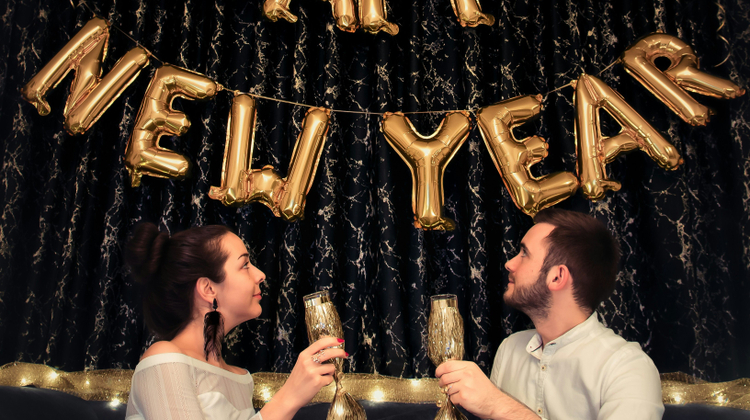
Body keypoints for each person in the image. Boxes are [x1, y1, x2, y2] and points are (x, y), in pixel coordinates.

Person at [435, 209, 664, 420]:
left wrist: (499, 405)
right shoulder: (509, 350)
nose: (509, 264)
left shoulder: (627, 368)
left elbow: (499, 407)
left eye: (524, 253)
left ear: (557, 277)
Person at [124, 223, 345, 420]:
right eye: (245, 265)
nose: (260, 275)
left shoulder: (241, 378)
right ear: (208, 288)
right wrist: (289, 397)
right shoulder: (163, 359)